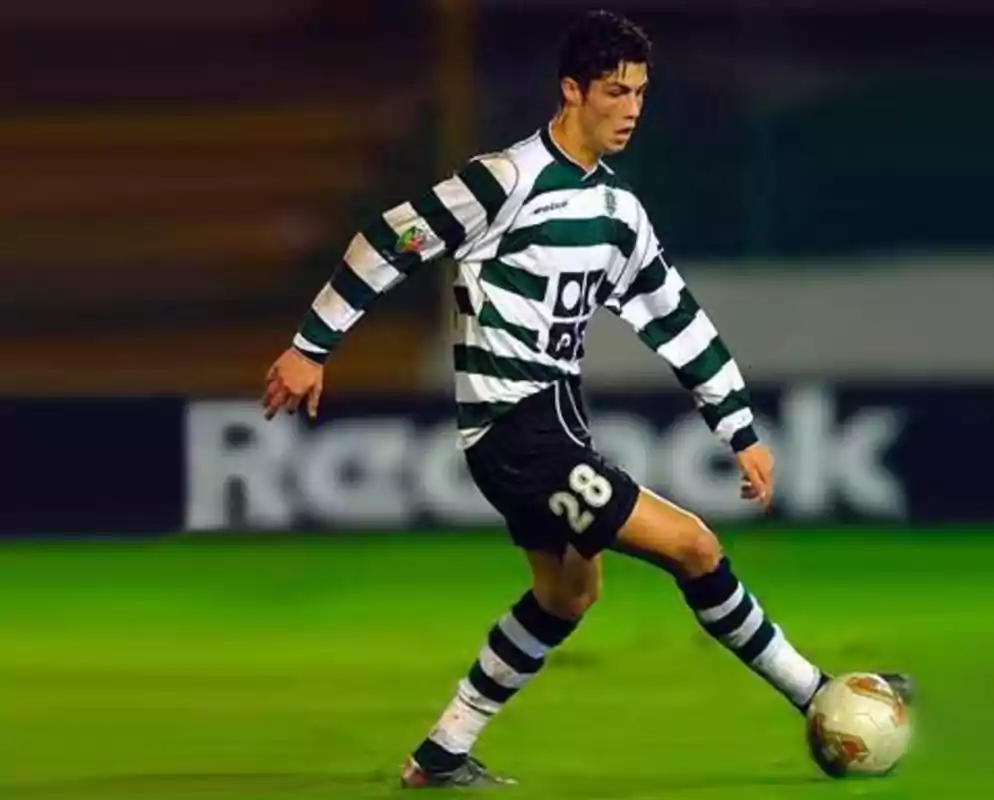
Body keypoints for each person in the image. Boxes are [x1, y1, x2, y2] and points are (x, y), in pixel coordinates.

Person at [261, 9, 911, 789]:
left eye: (640, 91)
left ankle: (439, 757)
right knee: (694, 546)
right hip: (517, 432)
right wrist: (312, 344)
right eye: (614, 90)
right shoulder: (502, 181)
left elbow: (676, 321)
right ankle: (818, 697)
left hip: (557, 423)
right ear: (570, 90)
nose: (630, 107)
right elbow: (392, 237)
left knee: (568, 594)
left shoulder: (618, 214)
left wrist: (738, 427)